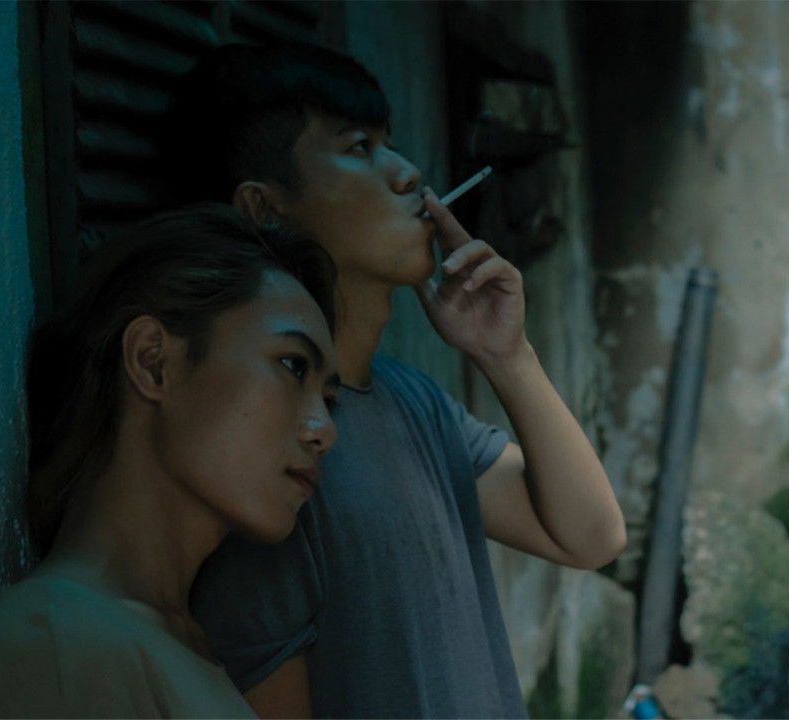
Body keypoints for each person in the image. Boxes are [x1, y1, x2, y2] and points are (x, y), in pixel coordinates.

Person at [166, 44, 627, 718]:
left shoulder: (411, 400)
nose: (409, 174)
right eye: (360, 148)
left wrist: (508, 356)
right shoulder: (271, 450)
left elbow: (591, 536)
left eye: (391, 144)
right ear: (265, 208)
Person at [0, 205, 340, 718]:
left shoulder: (173, 646)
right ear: (153, 361)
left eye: (328, 400)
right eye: (293, 365)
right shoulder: (60, 645)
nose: (324, 430)